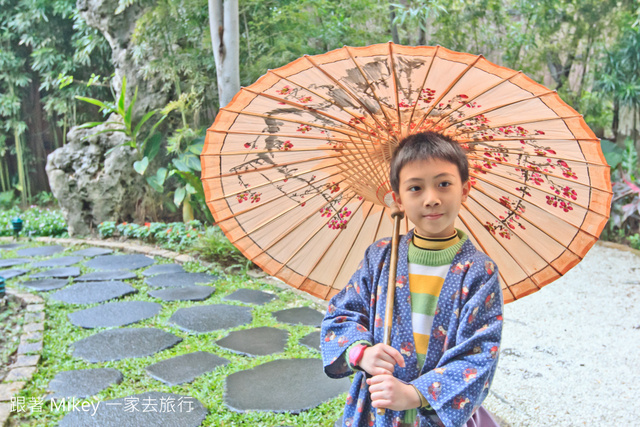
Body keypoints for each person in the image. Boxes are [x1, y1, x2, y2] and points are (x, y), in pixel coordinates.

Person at [321, 131, 503, 427]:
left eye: (444, 184)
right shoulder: (380, 257)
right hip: (376, 408)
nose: (431, 199)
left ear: (465, 189)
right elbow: (341, 313)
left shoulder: (479, 272)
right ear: (398, 199)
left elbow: (480, 353)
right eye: (415, 188)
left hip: (437, 412)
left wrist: (413, 393)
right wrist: (361, 353)